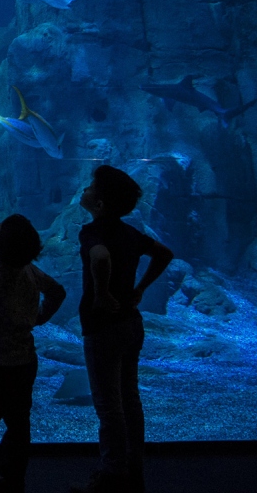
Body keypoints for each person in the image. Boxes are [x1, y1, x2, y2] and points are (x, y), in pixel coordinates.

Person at [70, 166, 174, 493]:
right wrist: (140, 287)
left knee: (107, 403)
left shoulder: (92, 232)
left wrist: (101, 293)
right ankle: (133, 467)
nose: (84, 190)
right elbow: (164, 253)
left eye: (90, 187)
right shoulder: (130, 233)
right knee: (130, 398)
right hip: (131, 323)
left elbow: (99, 257)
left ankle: (111, 475)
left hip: (103, 328)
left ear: (98, 204)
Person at [0, 214, 67, 493]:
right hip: (25, 359)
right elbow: (57, 292)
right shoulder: (29, 270)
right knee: (19, 420)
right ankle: (15, 477)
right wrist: (38, 318)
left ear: (0, 242)